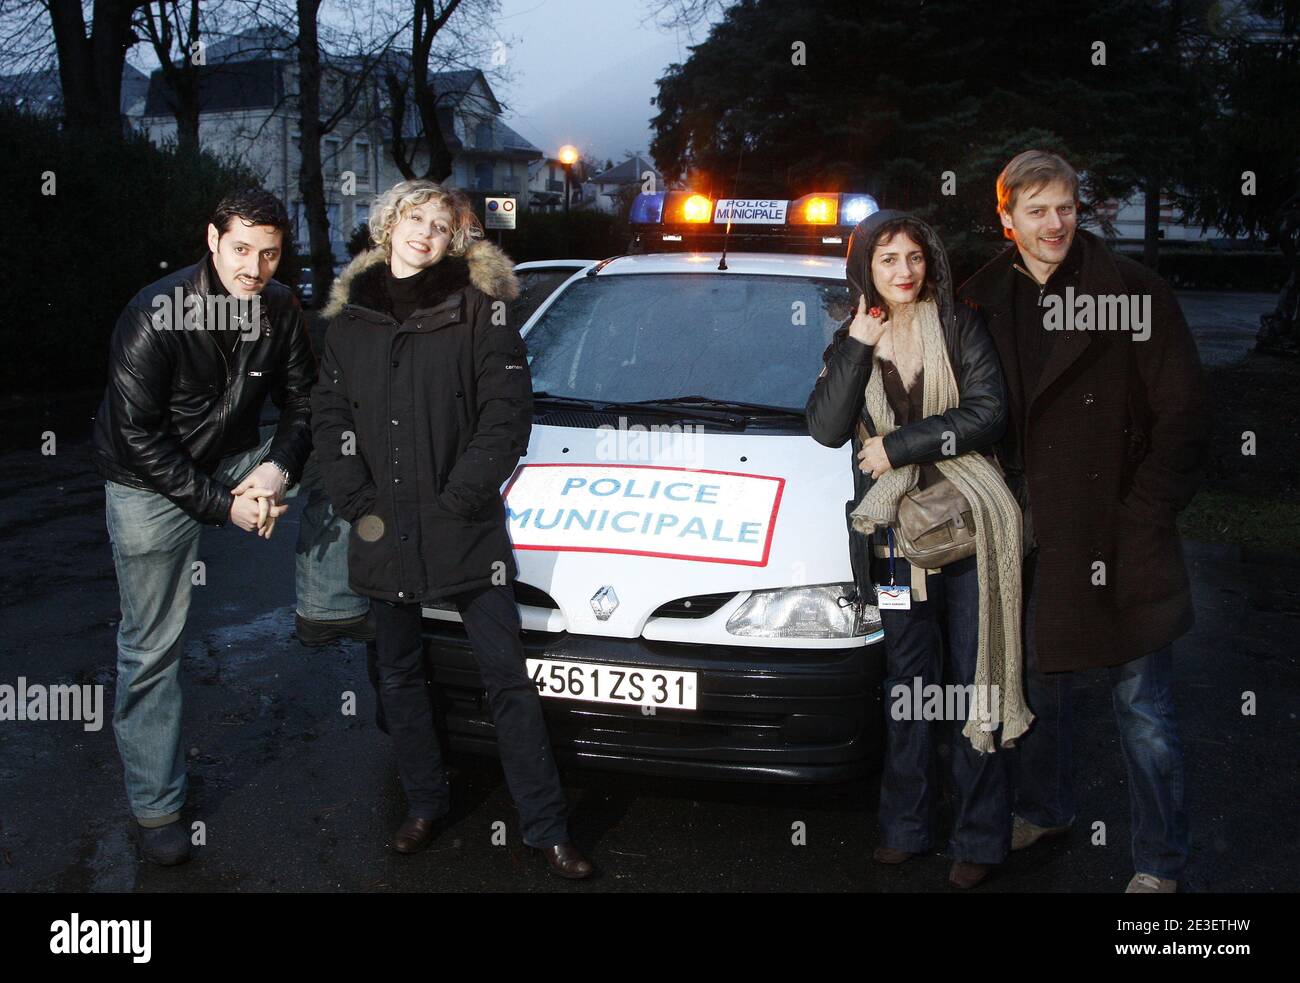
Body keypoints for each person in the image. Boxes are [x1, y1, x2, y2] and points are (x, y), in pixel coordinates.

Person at [312, 179, 593, 880]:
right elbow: (329, 414)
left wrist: (465, 493)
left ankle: (546, 826)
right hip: (382, 525)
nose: (425, 233)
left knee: (506, 679)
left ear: (453, 237)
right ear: (389, 224)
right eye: (414, 218)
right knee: (399, 675)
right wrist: (354, 496)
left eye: (440, 224)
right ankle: (424, 803)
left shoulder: (478, 310)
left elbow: (506, 413)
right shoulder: (351, 319)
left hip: (465, 525)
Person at [92, 189, 371, 866]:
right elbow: (135, 436)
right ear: (212, 240)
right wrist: (226, 507)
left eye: (269, 252)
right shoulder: (154, 312)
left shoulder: (278, 307)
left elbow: (307, 401)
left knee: (343, 448)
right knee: (151, 646)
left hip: (240, 457)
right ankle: (158, 806)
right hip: (148, 481)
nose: (255, 266)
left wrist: (276, 468)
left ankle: (325, 608)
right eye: (241, 248)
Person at [958, 151, 1209, 893]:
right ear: (1006, 219)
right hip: (1033, 534)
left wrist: (1146, 512)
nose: (1055, 223)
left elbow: (1186, 416)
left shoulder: (1132, 292)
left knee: (1144, 707)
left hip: (1124, 532)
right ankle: (1046, 807)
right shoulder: (981, 300)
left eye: (1065, 206)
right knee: (1041, 688)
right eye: (1036, 210)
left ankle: (1161, 862)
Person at [807, 210, 1028, 889]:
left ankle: (979, 837)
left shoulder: (960, 323)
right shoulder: (854, 336)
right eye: (887, 259)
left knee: (973, 680)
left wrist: (901, 444)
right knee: (909, 686)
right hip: (896, 538)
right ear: (865, 270)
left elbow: (990, 410)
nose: (904, 270)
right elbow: (824, 426)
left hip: (970, 528)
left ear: (928, 259)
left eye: (913, 256)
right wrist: (855, 346)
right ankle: (905, 826)